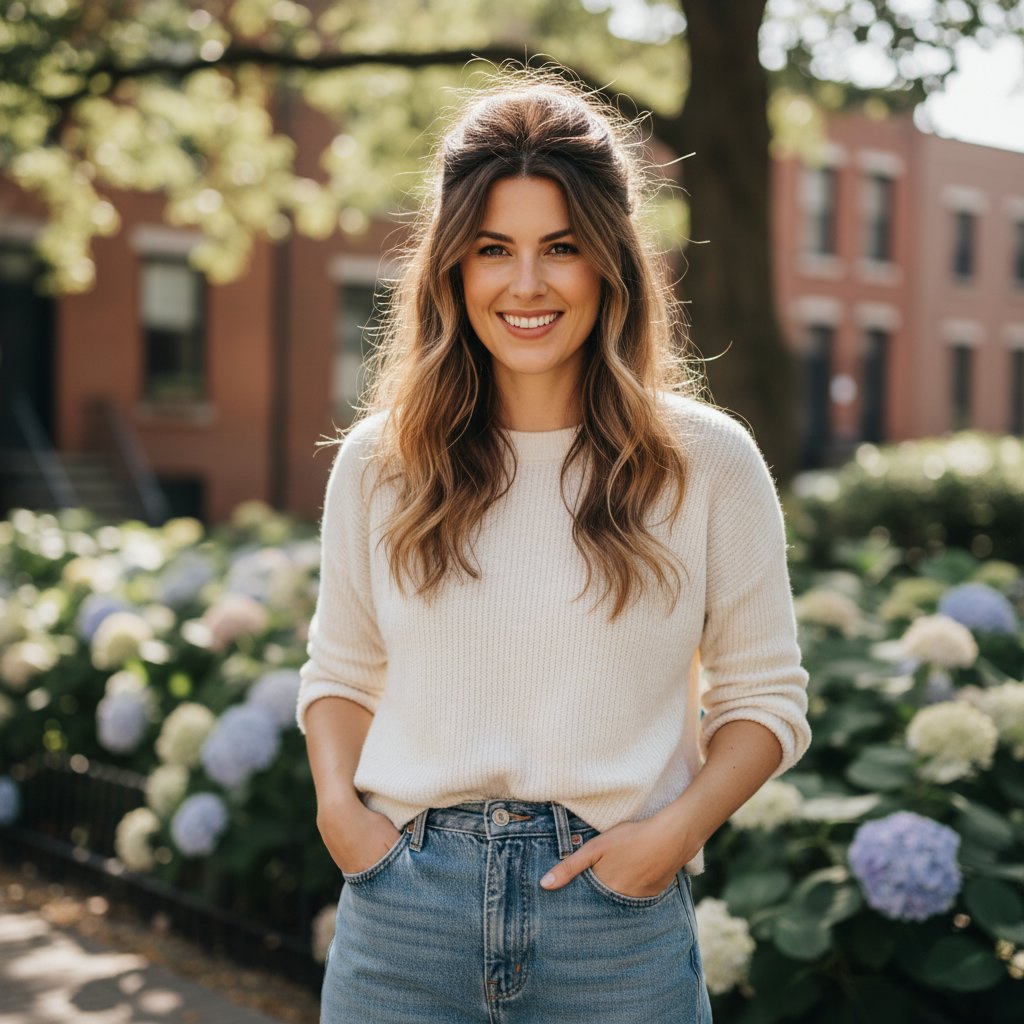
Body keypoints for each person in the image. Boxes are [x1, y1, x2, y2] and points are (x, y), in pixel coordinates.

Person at [296, 68, 811, 1024]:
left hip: (616, 926)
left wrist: (669, 839)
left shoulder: (708, 462)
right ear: (452, 267)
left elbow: (765, 700)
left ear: (610, 261)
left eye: (561, 247)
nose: (526, 284)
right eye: (493, 249)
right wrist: (342, 816)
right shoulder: (381, 462)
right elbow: (340, 672)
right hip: (404, 915)